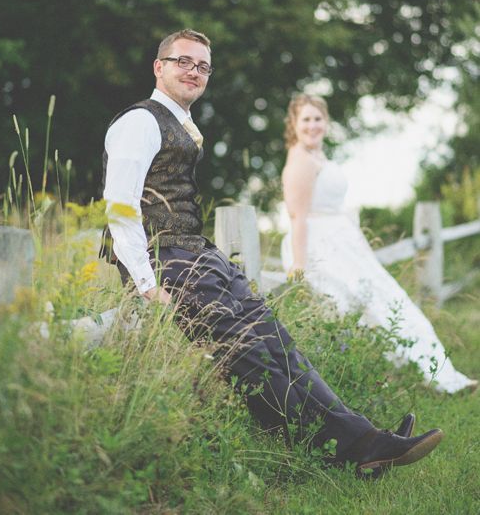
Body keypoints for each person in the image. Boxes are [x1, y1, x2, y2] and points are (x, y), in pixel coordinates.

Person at [102, 29, 443, 478]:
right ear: (158, 66)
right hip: (165, 261)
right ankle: (348, 452)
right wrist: (147, 285)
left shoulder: (179, 123)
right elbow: (120, 206)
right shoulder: (139, 122)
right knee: (249, 357)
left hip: (198, 254)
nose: (194, 72)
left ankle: (366, 439)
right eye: (183, 61)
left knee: (279, 345)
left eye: (203, 66)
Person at [281, 94, 477, 394]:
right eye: (305, 119)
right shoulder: (300, 160)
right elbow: (298, 217)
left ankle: (440, 376)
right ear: (294, 124)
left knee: (392, 304)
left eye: (318, 118)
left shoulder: (318, 156)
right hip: (321, 248)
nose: (312, 125)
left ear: (326, 122)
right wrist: (299, 265)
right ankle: (393, 380)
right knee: (360, 308)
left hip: (344, 245)